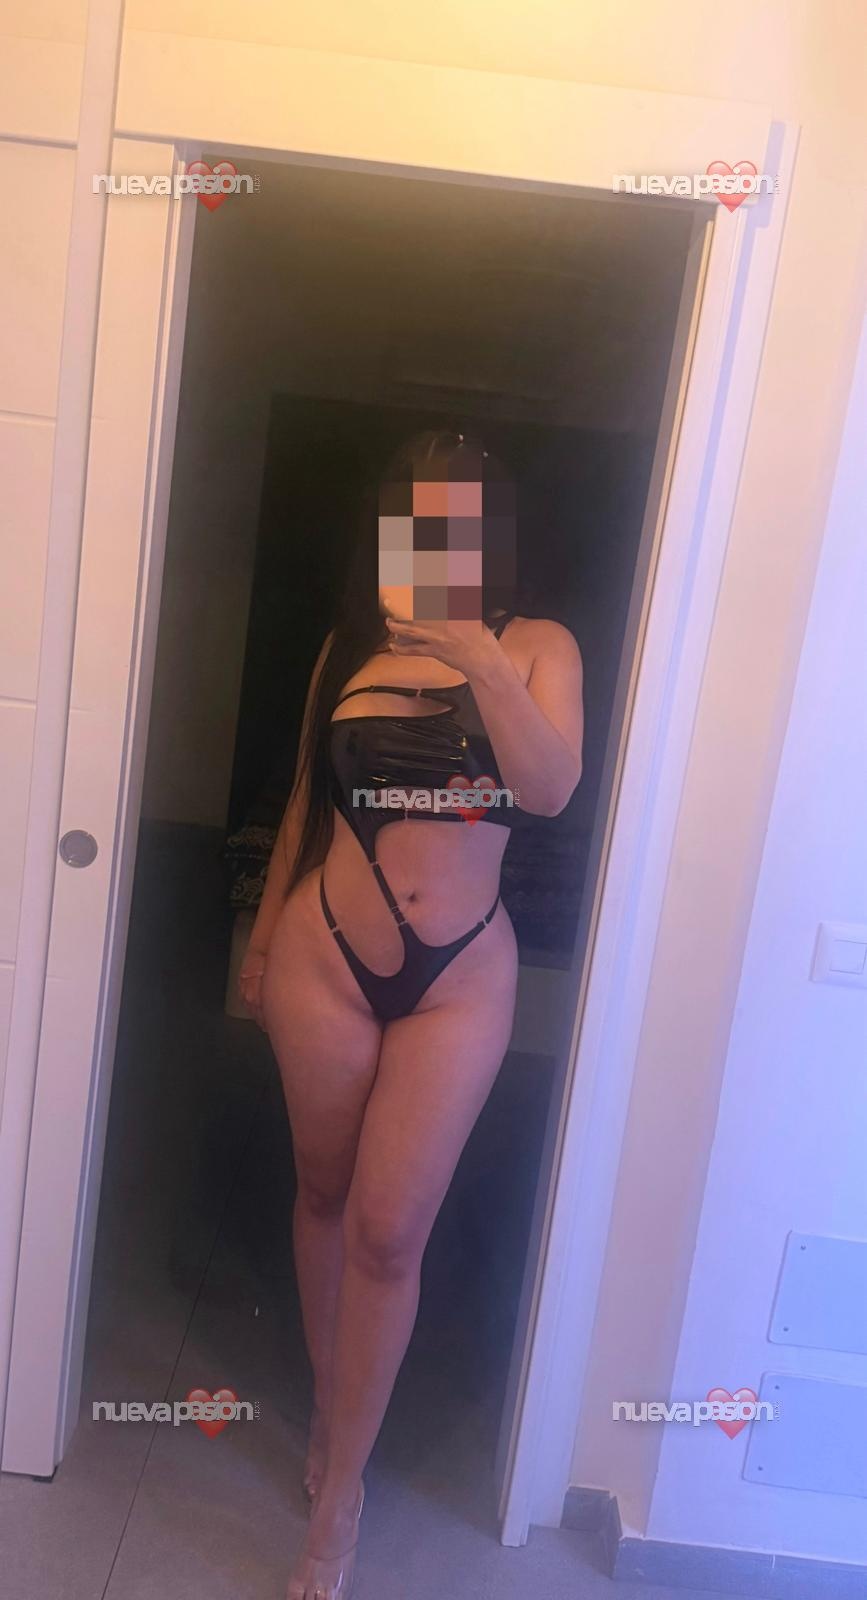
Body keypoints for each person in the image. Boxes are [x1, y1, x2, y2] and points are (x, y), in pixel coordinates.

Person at [239, 429, 584, 1600]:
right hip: (323, 956)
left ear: (491, 534)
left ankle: (338, 1502)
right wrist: (261, 940)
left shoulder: (538, 646)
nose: (438, 540)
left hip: (460, 977)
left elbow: (548, 788)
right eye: (417, 519)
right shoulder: (349, 646)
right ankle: (335, 1421)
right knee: (323, 1193)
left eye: (461, 520)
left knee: (390, 1233)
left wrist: (478, 657)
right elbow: (305, 798)